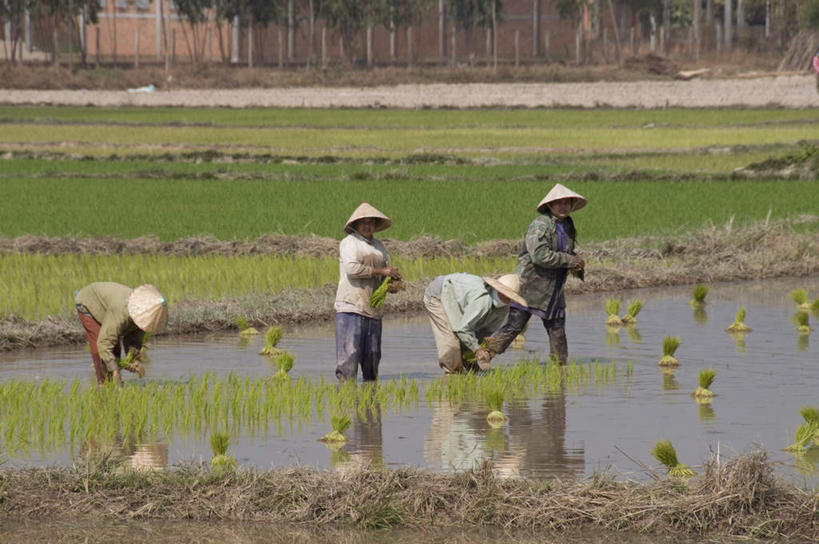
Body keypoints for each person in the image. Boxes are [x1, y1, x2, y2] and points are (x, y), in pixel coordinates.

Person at [484, 183, 586, 366]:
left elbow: (566, 252)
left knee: (558, 331)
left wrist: (576, 263)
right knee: (514, 326)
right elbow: (539, 255)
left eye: (566, 203)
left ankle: (559, 370)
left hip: (553, 288)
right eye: (558, 203)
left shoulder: (567, 225)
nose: (563, 206)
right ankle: (483, 354)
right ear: (550, 206)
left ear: (571, 205)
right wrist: (570, 261)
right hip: (530, 285)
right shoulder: (540, 225)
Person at [334, 202, 401, 382]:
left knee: (372, 361)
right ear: (355, 225)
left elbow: (384, 269)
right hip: (351, 306)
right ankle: (346, 402)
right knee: (349, 360)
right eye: (363, 222)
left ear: (375, 225)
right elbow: (351, 269)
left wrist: (390, 281)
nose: (367, 225)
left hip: (373, 308)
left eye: (371, 222)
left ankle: (370, 403)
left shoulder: (379, 246)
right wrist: (381, 272)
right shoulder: (350, 243)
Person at [423, 273, 527, 374]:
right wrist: (477, 349)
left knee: (471, 344)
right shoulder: (482, 301)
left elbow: (485, 332)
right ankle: (452, 376)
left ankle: (470, 367)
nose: (506, 299)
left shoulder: (503, 308)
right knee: (452, 345)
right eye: (504, 294)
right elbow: (462, 329)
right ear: (496, 289)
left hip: (457, 301)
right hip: (439, 294)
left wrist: (486, 350)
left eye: (509, 297)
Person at [75, 282, 168, 386]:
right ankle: (102, 384)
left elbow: (133, 341)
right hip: (89, 302)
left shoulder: (144, 320)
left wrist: (132, 360)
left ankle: (113, 383)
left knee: (115, 349)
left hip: (110, 308)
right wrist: (115, 370)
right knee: (100, 346)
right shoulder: (121, 312)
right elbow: (103, 344)